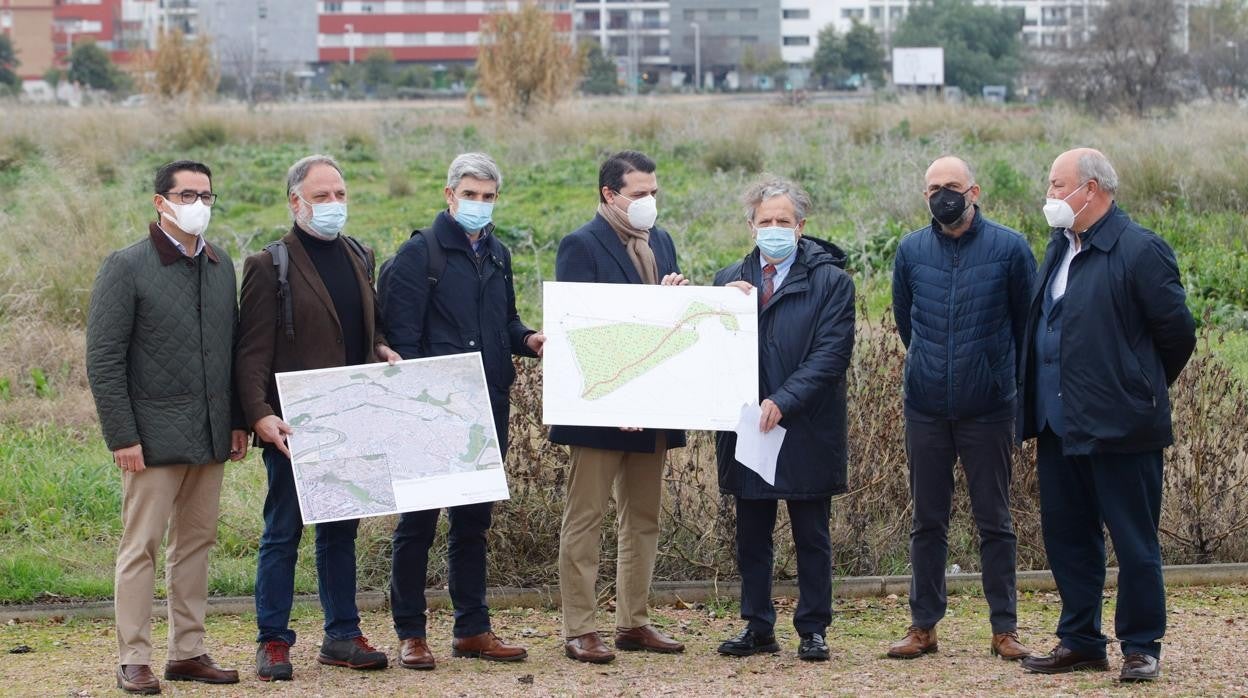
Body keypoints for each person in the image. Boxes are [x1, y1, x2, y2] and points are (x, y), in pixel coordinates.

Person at [1019, 148, 1196, 682]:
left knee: (1133, 540)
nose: (1050, 195)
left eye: (1057, 185)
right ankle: (1081, 640)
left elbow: (1177, 335)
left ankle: (1141, 645)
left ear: (1090, 189)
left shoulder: (1140, 249)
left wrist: (1136, 387)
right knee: (1069, 537)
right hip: (1058, 424)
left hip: (1122, 426)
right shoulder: (1059, 247)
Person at [235, 154, 401, 681]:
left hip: (353, 416)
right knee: (283, 531)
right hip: (294, 425)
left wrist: (380, 348)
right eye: (322, 196)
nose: (334, 204)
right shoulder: (269, 265)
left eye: (340, 195)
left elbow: (366, 326)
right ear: (296, 202)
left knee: (340, 531)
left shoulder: (360, 254)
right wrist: (259, 415)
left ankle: (342, 635)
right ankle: (273, 640)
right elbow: (251, 351)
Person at [86, 160, 246, 694]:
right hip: (150, 439)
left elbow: (231, 351)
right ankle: (133, 657)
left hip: (210, 433)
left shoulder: (220, 265)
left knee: (196, 544)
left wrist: (237, 421)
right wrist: (122, 436)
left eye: (206, 195)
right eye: (186, 195)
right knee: (142, 547)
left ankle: (189, 652)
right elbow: (104, 359)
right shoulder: (126, 266)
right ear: (161, 202)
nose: (198, 204)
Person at [380, 153, 543, 670]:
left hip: (486, 407)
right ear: (449, 196)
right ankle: (411, 633)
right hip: (431, 412)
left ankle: (473, 629)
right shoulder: (419, 255)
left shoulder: (498, 254)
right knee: (417, 526)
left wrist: (529, 339)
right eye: (470, 194)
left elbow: (506, 322)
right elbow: (403, 342)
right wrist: (425, 405)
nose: (479, 204)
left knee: (473, 525)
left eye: (488, 196)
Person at [887, 156, 1038, 661]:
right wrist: (931, 367)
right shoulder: (910, 250)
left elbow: (1025, 324)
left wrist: (998, 379)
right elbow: (906, 322)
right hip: (926, 407)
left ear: (974, 191)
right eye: (933, 188)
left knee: (995, 521)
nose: (942, 196)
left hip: (988, 407)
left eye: (951, 186)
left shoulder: (1011, 248)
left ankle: (1004, 629)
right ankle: (923, 626)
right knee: (927, 521)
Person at [550, 150, 688, 664]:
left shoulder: (662, 241)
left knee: (643, 517)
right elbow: (577, 331)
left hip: (653, 406)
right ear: (610, 194)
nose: (649, 201)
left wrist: (676, 296)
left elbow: (665, 325)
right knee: (586, 518)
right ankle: (580, 628)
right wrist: (614, 400)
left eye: (654, 192)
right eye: (638, 193)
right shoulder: (581, 245)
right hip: (601, 408)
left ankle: (634, 621)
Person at [713, 176, 856, 663]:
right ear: (751, 225)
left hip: (806, 426)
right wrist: (721, 307)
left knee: (811, 535)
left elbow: (830, 354)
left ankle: (813, 628)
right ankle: (757, 626)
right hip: (748, 428)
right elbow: (711, 350)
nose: (773, 228)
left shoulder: (832, 282)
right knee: (752, 534)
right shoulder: (729, 280)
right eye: (765, 220)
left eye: (783, 220)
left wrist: (784, 399)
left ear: (801, 226)